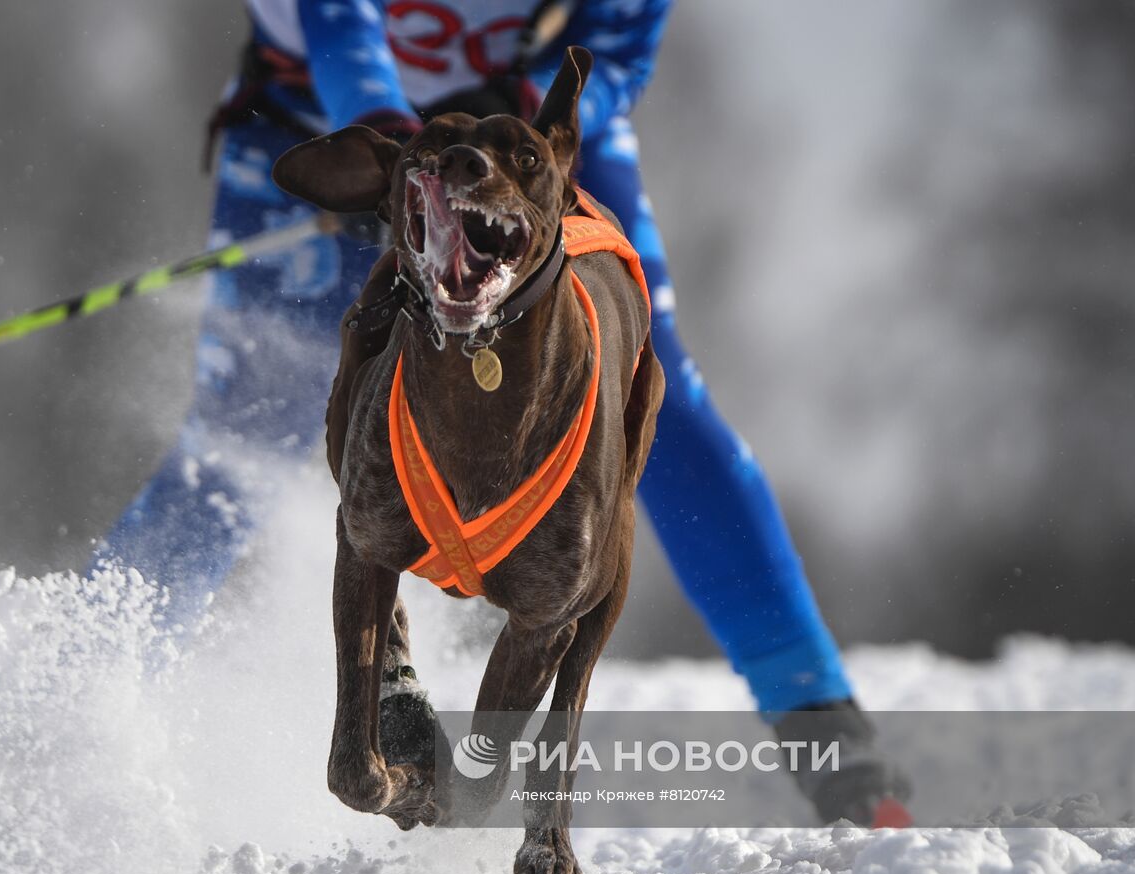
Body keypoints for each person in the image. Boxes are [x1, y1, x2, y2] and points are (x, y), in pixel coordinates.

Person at [96, 0, 910, 825]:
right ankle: (85, 700)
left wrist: (521, 151)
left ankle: (829, 735)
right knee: (246, 429)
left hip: (516, 144)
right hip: (319, 117)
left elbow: (615, 48)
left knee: (661, 402)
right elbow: (336, 21)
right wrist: (405, 163)